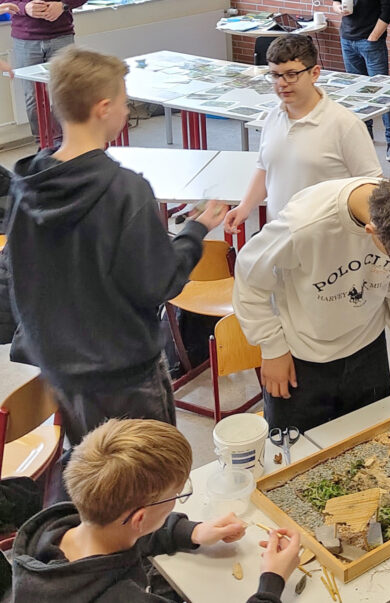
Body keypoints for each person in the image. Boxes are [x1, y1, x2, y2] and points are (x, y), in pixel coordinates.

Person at [6, 46, 226, 450]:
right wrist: (196, 231)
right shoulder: (126, 191)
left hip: (62, 371)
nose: (127, 110)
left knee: (95, 469)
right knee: (149, 474)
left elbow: (16, 277)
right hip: (125, 374)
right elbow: (161, 283)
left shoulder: (26, 187)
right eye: (125, 102)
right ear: (104, 108)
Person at [232, 174, 390, 432]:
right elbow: (249, 276)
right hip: (302, 359)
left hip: (367, 353)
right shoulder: (305, 224)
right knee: (294, 449)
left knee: (370, 440)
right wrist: (272, 348)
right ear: (370, 232)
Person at [11, 419, 303, 602]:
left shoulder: (57, 530)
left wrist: (192, 532)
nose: (177, 500)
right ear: (139, 518)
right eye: (177, 495)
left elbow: (123, 533)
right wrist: (272, 580)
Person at [223, 34, 381, 232]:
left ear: (314, 73)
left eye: (291, 74)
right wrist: (245, 207)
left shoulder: (345, 124)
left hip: (327, 240)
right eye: (275, 75)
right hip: (280, 236)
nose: (282, 83)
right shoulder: (273, 117)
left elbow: (372, 186)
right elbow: (265, 169)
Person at [9, 0, 88, 143]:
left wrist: (63, 5)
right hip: (25, 40)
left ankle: (68, 142)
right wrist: (24, 8)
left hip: (62, 36)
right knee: (33, 97)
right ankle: (44, 143)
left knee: (66, 93)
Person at [332, 0, 390, 163]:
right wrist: (339, 9)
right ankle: (365, 133)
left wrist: (373, 37)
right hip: (347, 39)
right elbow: (335, 2)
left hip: (371, 42)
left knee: (384, 93)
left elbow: (389, 9)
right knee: (358, 92)